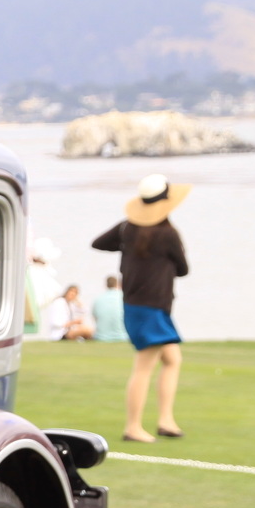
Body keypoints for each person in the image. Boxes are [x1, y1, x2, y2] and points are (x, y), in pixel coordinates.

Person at [93, 173, 190, 442]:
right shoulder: (168, 234)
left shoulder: (127, 228)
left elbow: (98, 243)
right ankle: (133, 426)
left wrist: (128, 247)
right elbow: (183, 268)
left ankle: (166, 420)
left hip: (139, 304)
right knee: (144, 366)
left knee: (172, 359)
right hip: (152, 307)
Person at [92, 275, 127, 343]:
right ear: (117, 284)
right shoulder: (124, 297)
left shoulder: (98, 299)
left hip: (101, 337)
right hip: (123, 336)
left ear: (106, 285)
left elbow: (95, 318)